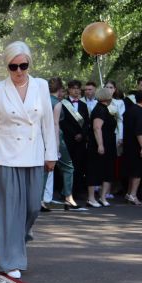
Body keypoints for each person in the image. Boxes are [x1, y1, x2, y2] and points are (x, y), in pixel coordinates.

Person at [0, 41, 57, 279]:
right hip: (4, 156)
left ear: (29, 64)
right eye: (14, 66)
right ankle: (9, 258)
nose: (19, 71)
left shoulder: (41, 86)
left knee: (33, 207)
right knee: (7, 211)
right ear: (7, 66)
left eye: (23, 65)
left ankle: (14, 240)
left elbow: (47, 124)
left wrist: (51, 154)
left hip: (34, 155)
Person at [47, 77, 84, 210]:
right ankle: (68, 197)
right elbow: (56, 125)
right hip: (55, 138)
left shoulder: (43, 100)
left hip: (42, 137)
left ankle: (39, 199)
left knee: (45, 168)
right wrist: (56, 146)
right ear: (59, 90)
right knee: (69, 167)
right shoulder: (57, 103)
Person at [85, 88, 117, 207]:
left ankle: (103, 197)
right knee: (94, 170)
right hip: (100, 144)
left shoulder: (105, 109)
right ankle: (91, 198)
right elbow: (96, 128)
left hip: (109, 144)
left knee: (108, 170)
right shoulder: (99, 110)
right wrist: (100, 145)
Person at [123, 91, 142, 205]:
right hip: (138, 146)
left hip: (128, 144)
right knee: (138, 172)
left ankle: (129, 193)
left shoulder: (129, 111)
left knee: (131, 171)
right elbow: (139, 131)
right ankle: (133, 195)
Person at [61, 79, 89, 196]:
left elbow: (87, 122)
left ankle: (76, 190)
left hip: (80, 141)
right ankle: (65, 191)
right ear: (69, 89)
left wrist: (82, 134)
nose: (76, 90)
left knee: (79, 165)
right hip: (68, 139)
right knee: (67, 166)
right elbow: (63, 122)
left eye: (78, 88)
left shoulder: (83, 105)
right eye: (74, 88)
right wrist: (74, 134)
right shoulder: (63, 103)